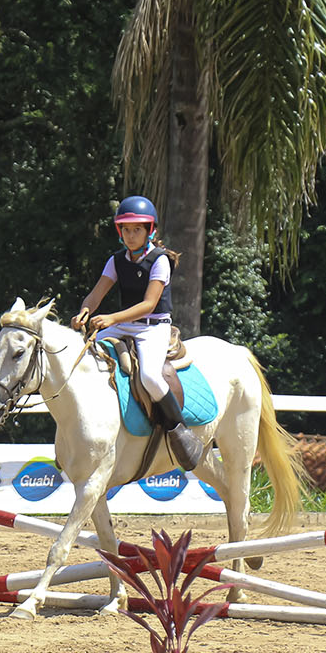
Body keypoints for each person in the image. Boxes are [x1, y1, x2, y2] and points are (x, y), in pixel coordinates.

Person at [70, 195, 205, 470]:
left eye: (137, 230)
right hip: (123, 324)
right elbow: (96, 294)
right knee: (85, 359)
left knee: (150, 376)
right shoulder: (116, 260)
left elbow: (148, 304)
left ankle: (180, 430)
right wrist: (84, 310)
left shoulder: (160, 260)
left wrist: (111, 318)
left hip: (153, 327)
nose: (131, 236)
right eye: (126, 230)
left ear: (149, 231)